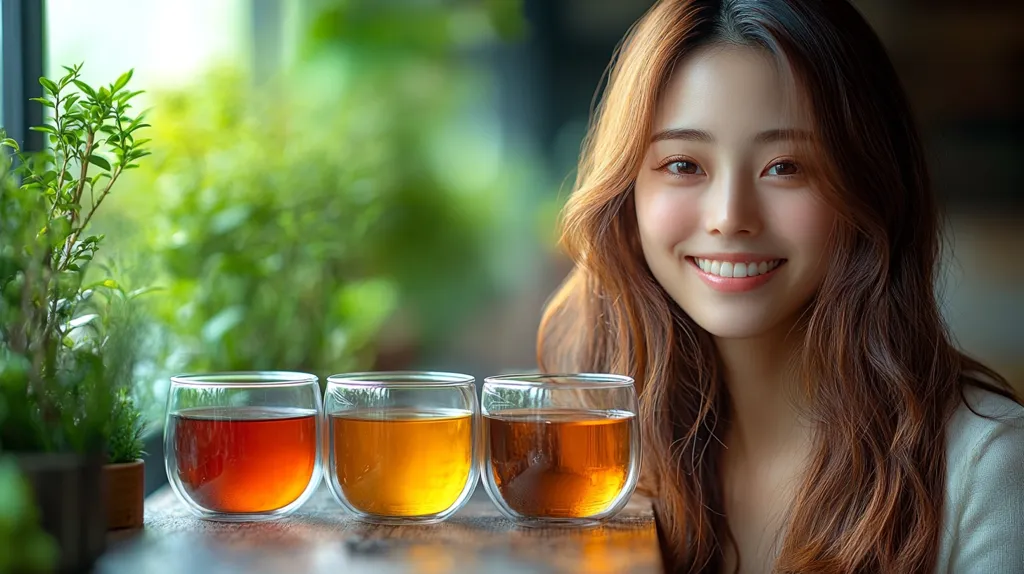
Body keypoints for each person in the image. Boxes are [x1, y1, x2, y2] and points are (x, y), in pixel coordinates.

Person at [536, 0, 1024, 572]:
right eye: (683, 164)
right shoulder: (603, 445)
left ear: (872, 188)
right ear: (626, 195)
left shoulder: (988, 471)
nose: (729, 216)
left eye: (785, 166)